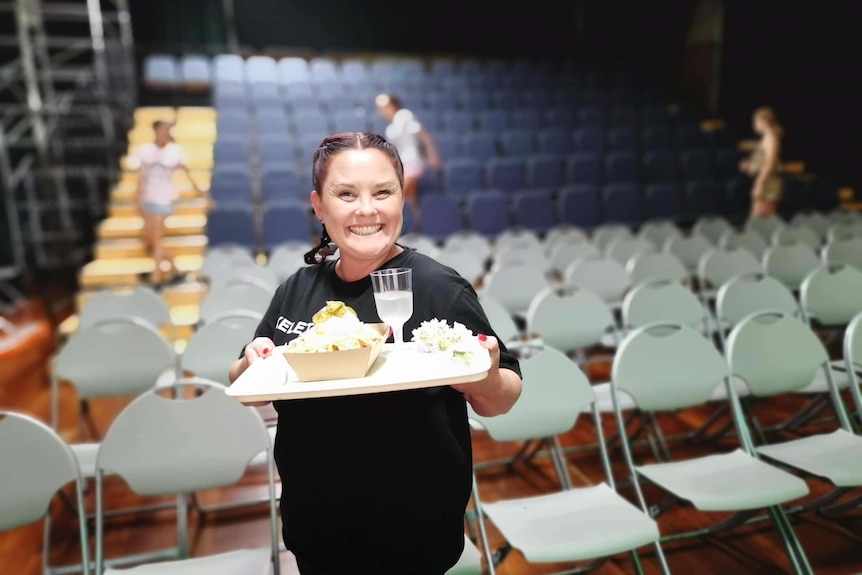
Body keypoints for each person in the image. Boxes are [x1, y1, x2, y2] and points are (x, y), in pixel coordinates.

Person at [229, 132, 522, 575]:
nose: (366, 209)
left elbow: (502, 397)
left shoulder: (439, 287)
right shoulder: (298, 288)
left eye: (382, 192)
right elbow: (246, 383)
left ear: (402, 198)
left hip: (415, 534)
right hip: (317, 531)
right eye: (346, 194)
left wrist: (483, 376)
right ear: (319, 204)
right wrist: (253, 361)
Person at [132, 120, 210, 283]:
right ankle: (176, 271)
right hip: (148, 198)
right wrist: (138, 199)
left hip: (164, 198)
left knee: (158, 236)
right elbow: (140, 178)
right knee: (152, 240)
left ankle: (156, 278)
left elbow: (188, 174)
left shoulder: (175, 152)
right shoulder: (145, 151)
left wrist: (202, 194)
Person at [375, 94, 442, 228]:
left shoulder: (404, 115)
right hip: (403, 166)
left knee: (397, 194)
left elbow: (423, 136)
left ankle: (397, 228)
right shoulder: (390, 128)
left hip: (414, 163)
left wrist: (432, 154)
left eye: (385, 107)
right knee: (409, 198)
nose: (382, 111)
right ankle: (417, 227)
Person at [739, 107, 784, 218]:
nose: (755, 125)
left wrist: (760, 184)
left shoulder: (771, 138)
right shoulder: (766, 138)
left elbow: (770, 162)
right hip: (765, 179)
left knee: (761, 218)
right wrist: (751, 165)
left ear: (764, 121)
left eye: (756, 121)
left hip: (768, 182)